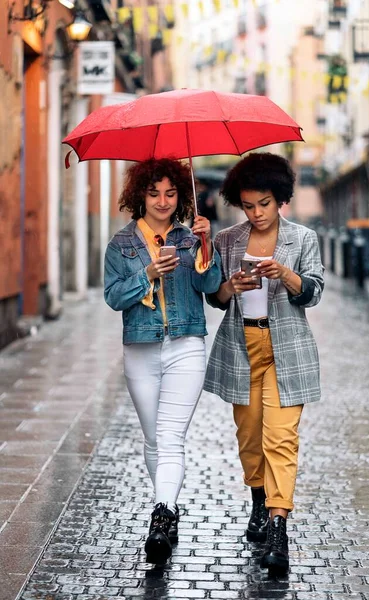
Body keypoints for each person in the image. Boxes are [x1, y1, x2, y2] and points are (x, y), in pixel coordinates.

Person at [204, 152, 324, 576]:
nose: (256, 213)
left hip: (287, 348)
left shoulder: (303, 239)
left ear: (282, 200)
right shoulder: (228, 240)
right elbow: (215, 298)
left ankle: (278, 526)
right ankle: (258, 498)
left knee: (281, 438)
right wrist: (230, 286)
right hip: (242, 346)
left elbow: (313, 291)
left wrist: (286, 275)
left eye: (264, 204)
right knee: (250, 435)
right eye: (249, 205)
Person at [104, 158, 221, 565]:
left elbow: (211, 287)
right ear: (140, 195)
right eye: (154, 193)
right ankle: (167, 511)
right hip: (140, 348)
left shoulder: (190, 239)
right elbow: (113, 297)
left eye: (171, 193)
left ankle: (163, 513)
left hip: (186, 344)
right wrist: (148, 274)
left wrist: (209, 244)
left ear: (181, 197)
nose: (163, 201)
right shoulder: (121, 244)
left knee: (171, 437)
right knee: (154, 439)